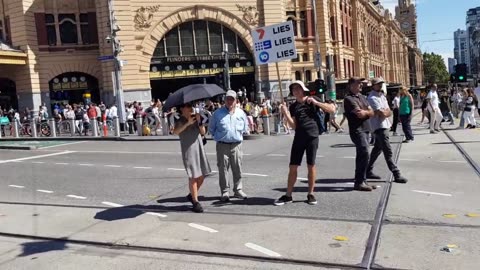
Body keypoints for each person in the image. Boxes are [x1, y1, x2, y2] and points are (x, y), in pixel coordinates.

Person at [274, 81, 335, 206]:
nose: (296, 90)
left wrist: (316, 103)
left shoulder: (312, 100)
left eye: (298, 88)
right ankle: (288, 195)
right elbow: (293, 126)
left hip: (312, 136)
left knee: (310, 165)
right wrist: (286, 113)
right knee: (293, 166)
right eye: (294, 89)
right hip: (299, 137)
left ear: (303, 89)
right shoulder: (293, 106)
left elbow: (332, 109)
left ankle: (310, 194)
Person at [209, 90, 249, 202]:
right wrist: (219, 137)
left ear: (236, 100)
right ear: (224, 100)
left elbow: (246, 128)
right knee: (223, 170)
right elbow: (211, 129)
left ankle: (238, 190)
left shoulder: (241, 113)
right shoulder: (217, 114)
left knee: (237, 168)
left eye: (232, 99)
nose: (230, 101)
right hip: (222, 145)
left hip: (236, 145)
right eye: (228, 99)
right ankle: (225, 192)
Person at [366, 78, 408, 184]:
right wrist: (386, 112)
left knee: (377, 150)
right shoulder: (372, 97)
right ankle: (396, 173)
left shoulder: (382, 96)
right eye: (378, 84)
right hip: (379, 126)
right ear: (373, 85)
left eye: (381, 84)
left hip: (384, 125)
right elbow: (383, 113)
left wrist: (386, 112)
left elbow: (389, 111)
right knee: (387, 150)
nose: (380, 86)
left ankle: (368, 170)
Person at [173, 103, 211, 213]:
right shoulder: (179, 120)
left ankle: (191, 195)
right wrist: (187, 123)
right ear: (182, 108)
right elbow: (175, 132)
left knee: (202, 176)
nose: (190, 108)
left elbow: (203, 132)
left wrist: (199, 121)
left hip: (199, 149)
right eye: (188, 106)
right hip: (189, 150)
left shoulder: (195, 117)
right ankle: (195, 202)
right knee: (193, 176)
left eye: (191, 106)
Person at [343, 77, 375, 191]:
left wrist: (366, 112)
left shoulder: (362, 97)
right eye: (358, 84)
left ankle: (362, 180)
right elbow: (360, 114)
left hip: (366, 128)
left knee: (362, 155)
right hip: (357, 130)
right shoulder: (348, 99)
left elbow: (372, 112)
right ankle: (359, 181)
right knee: (364, 152)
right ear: (351, 85)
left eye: (361, 84)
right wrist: (367, 112)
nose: (361, 85)